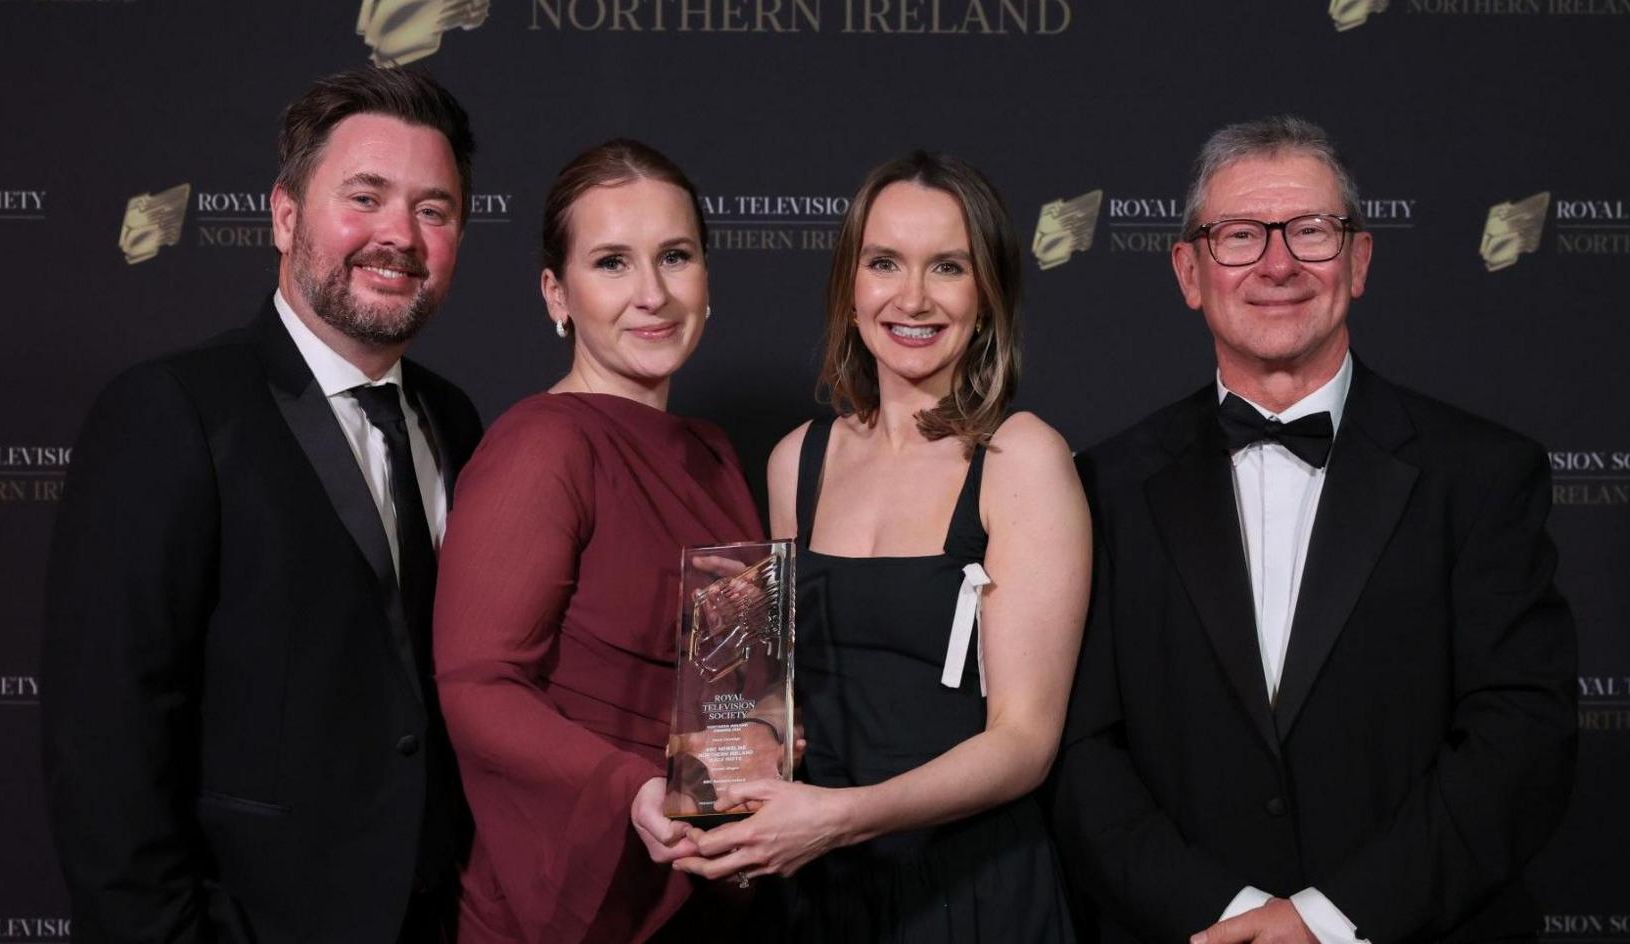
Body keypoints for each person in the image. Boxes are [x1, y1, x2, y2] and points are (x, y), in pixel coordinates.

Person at [1054, 116, 1576, 944]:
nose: (1277, 263)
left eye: (1311, 231)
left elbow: (1522, 741)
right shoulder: (1100, 486)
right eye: (1239, 235)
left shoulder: (1484, 475)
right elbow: (1081, 751)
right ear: (1189, 272)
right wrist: (1227, 919)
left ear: (1359, 261)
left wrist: (1326, 923)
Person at [42, 67, 483, 943]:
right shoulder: (170, 411)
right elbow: (104, 741)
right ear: (285, 214)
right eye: (365, 197)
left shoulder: (456, 419)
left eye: (434, 210)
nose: (400, 234)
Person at [674, 151, 1091, 941]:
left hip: (966, 890)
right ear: (850, 286)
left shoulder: (1021, 457)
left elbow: (1025, 742)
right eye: (885, 263)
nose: (913, 298)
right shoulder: (798, 460)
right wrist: (727, 776)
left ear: (989, 294)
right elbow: (778, 699)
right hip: (816, 888)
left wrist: (842, 818)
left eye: (948, 267)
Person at [432, 139, 763, 944]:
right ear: (557, 293)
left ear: (707, 280)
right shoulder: (544, 447)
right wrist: (631, 791)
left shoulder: (713, 452)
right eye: (613, 263)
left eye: (675, 257)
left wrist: (762, 747)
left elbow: (736, 669)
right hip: (580, 893)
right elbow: (478, 685)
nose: (652, 294)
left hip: (708, 873)